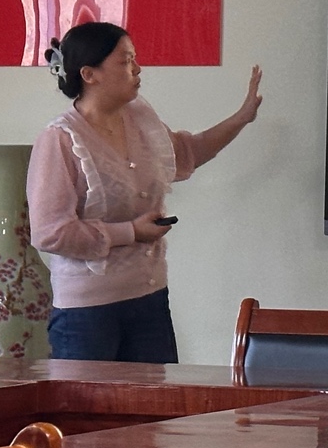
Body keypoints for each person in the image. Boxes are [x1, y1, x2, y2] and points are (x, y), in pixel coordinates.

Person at [27, 21, 262, 363]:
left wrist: (241, 118)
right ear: (89, 74)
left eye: (135, 58)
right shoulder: (60, 139)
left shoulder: (140, 117)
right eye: (125, 61)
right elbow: (50, 232)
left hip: (150, 298)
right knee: (88, 400)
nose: (137, 69)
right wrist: (131, 232)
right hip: (86, 314)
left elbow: (187, 154)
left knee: (156, 398)